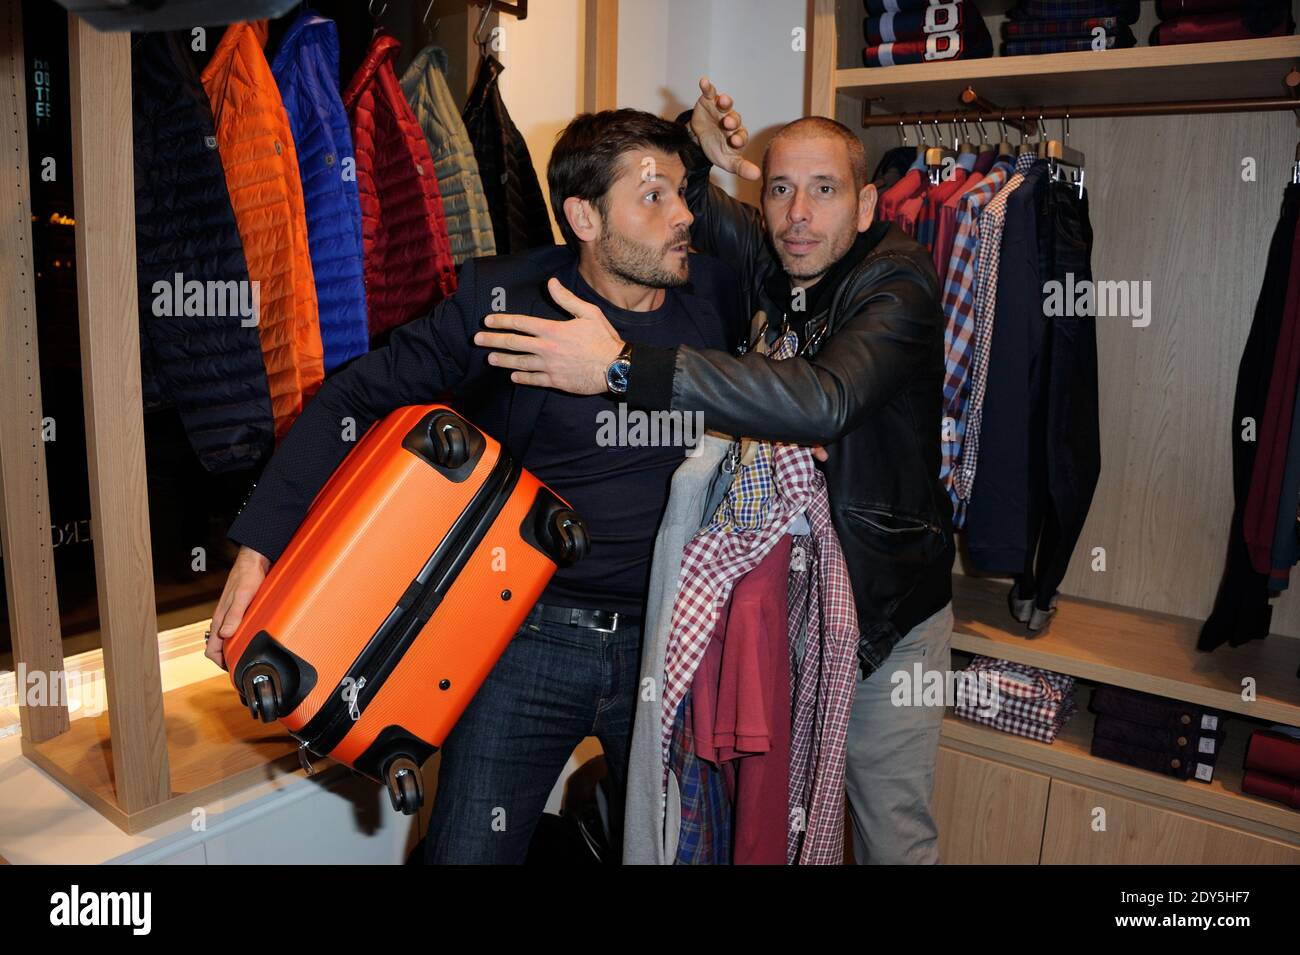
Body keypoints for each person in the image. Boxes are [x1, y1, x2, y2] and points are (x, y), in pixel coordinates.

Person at [206, 108, 749, 863]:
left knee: (679, 856)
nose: (685, 215)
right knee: (465, 852)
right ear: (583, 217)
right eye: (654, 198)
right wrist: (260, 544)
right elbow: (353, 399)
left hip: (672, 640)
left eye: (684, 193)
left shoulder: (722, 297)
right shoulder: (505, 302)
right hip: (523, 630)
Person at [475, 78, 957, 864]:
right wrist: (691, 143)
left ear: (867, 206)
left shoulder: (897, 282)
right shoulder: (778, 259)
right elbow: (674, 210)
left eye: (824, 191)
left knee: (890, 833)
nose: (799, 214)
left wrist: (626, 367)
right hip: (781, 606)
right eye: (780, 190)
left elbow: (826, 397)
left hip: (883, 612)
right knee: (774, 820)